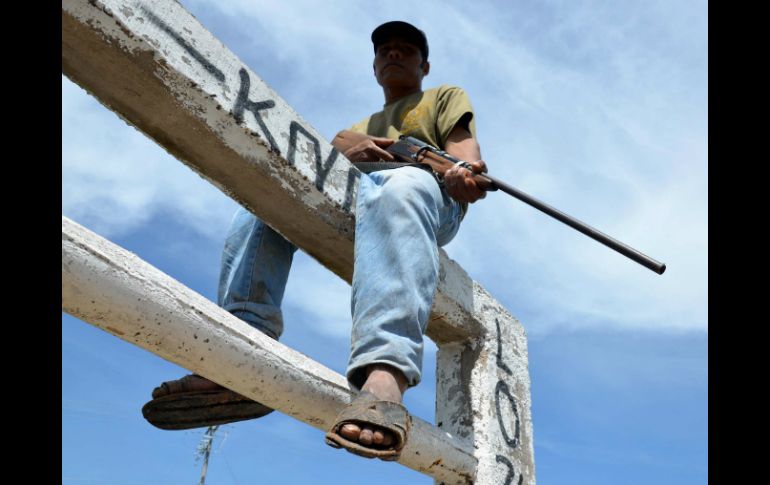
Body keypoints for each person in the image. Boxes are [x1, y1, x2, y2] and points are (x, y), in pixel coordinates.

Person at [142, 20, 487, 461]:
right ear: (375, 65)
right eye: (385, 50)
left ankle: (384, 376)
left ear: (425, 65)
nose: (394, 55)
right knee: (267, 192)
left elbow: (465, 160)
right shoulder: (355, 128)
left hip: (425, 196)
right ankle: (245, 343)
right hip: (360, 198)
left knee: (403, 186)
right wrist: (350, 152)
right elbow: (322, 161)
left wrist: (461, 175)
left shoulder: (443, 97)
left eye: (405, 49)